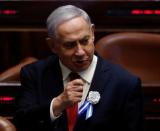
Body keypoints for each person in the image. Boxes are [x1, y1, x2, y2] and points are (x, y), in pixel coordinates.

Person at [13, 5, 143, 131]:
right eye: (70, 45)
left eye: (84, 41)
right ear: (52, 45)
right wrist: (57, 104)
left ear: (92, 33)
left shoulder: (124, 83)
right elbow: (22, 122)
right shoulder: (35, 74)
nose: (80, 52)